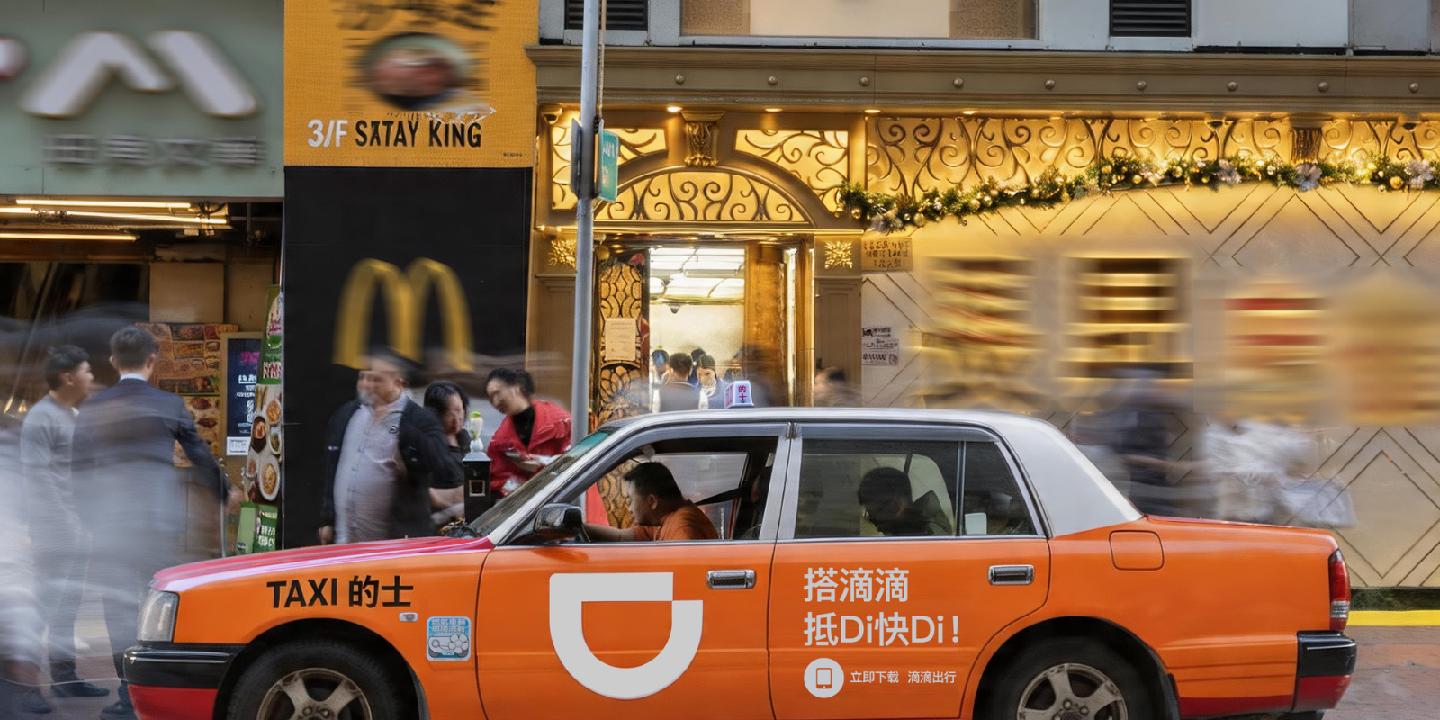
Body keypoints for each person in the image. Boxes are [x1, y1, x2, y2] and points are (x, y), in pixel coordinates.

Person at [72, 327, 237, 719]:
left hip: (111, 526)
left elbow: (77, 469)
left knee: (115, 610)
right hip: (158, 524)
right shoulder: (169, 403)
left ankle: (125, 695)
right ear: (152, 361)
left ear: (113, 361)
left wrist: (88, 519)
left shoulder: (93, 407)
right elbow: (199, 454)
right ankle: (151, 695)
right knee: (156, 609)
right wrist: (225, 491)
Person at [19, 347, 107, 712]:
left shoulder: (71, 414)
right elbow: (38, 480)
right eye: (87, 370)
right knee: (44, 608)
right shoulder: (41, 418)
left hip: (75, 528)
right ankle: (20, 688)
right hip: (55, 531)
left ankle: (65, 679)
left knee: (67, 607)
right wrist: (66, 526)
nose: (91, 377)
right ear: (68, 377)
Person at [318, 350, 462, 545]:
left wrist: (409, 460)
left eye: (377, 380)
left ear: (398, 382)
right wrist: (328, 519)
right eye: (363, 377)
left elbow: (442, 464)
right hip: (345, 541)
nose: (368, 385)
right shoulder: (347, 414)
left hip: (394, 545)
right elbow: (333, 466)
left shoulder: (418, 419)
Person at [486, 368, 572, 496]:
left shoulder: (561, 423)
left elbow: (576, 461)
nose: (495, 401)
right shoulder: (499, 441)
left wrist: (541, 464)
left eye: (497, 393)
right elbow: (498, 478)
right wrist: (518, 487)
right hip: (527, 505)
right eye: (491, 397)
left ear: (516, 387)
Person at [585, 463, 718, 542]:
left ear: (652, 501)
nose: (629, 508)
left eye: (631, 501)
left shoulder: (682, 527)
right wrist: (581, 527)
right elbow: (620, 536)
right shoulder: (664, 521)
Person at [423, 380, 470, 527]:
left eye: (459, 410)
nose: (457, 418)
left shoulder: (464, 437)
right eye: (449, 413)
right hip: (440, 520)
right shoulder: (426, 443)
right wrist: (451, 504)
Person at [856, 467, 950, 537]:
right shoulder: (922, 537)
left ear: (895, 506)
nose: (877, 527)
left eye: (875, 513)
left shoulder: (925, 541)